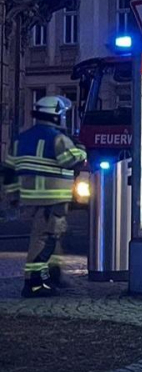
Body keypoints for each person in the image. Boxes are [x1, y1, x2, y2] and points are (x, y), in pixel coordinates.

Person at [2, 94, 87, 297]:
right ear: (57, 115)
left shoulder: (20, 139)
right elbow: (72, 160)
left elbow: (8, 171)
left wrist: (12, 196)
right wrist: (81, 149)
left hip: (29, 198)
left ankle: (53, 275)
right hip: (52, 199)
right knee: (43, 240)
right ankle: (34, 283)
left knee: (52, 238)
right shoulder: (57, 138)